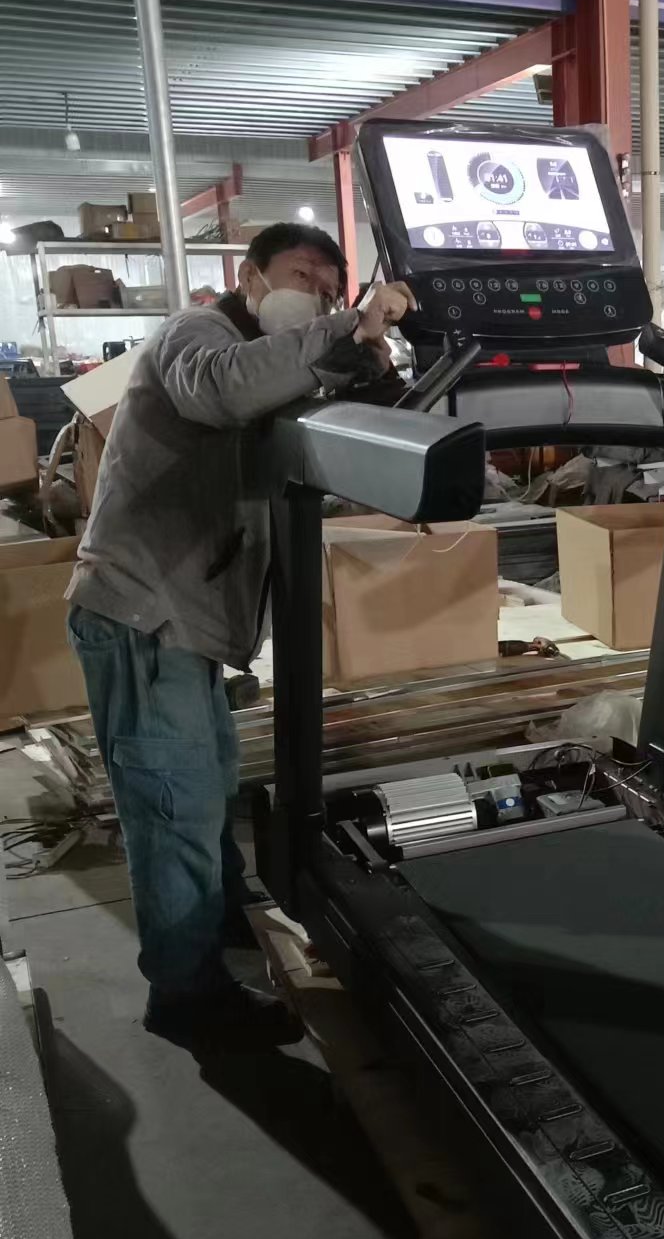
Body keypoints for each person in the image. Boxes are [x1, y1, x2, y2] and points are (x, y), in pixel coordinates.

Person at [67, 222, 414, 1048]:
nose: (314, 295)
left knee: (207, 783)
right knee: (174, 805)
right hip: (145, 611)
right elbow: (219, 392)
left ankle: (219, 918)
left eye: (329, 288)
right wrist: (345, 325)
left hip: (188, 617)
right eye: (300, 275)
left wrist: (375, 362)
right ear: (250, 277)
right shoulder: (199, 334)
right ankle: (185, 996)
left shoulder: (282, 360)